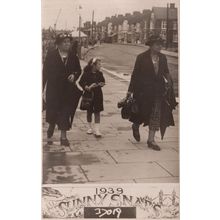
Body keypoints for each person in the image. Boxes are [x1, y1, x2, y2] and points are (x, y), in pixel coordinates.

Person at [127, 35, 177, 151]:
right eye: (157, 44)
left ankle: (151, 140)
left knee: (155, 114)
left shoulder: (163, 58)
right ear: (151, 45)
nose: (160, 46)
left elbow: (166, 72)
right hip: (142, 91)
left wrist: (170, 83)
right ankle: (135, 125)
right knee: (141, 113)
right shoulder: (141, 57)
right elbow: (135, 75)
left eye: (161, 44)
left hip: (158, 91)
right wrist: (130, 91)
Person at [43, 33, 82, 146]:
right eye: (64, 42)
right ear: (58, 44)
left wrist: (74, 75)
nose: (67, 44)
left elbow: (78, 70)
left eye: (68, 42)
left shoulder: (73, 56)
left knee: (66, 112)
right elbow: (45, 73)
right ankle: (51, 125)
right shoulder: (51, 55)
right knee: (53, 112)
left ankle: (63, 137)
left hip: (67, 90)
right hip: (54, 90)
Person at [79, 58, 105, 137]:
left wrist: (101, 84)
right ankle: (89, 127)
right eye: (99, 64)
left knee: (97, 111)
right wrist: (86, 87)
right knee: (89, 111)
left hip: (98, 95)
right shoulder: (86, 73)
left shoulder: (100, 73)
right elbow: (81, 82)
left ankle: (97, 130)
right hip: (89, 94)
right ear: (93, 65)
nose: (100, 66)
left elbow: (103, 82)